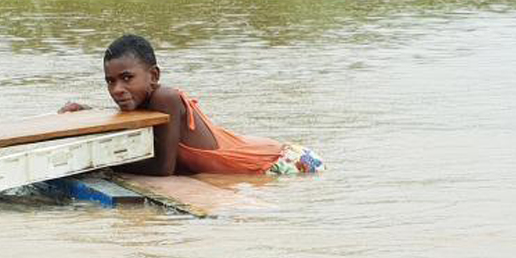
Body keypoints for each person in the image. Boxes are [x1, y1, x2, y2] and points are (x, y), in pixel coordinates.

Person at [59, 34, 324, 176]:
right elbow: (123, 118)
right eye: (110, 81)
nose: (117, 89)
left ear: (154, 76)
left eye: (127, 78)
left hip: (283, 163)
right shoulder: (145, 103)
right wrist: (87, 111)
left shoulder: (166, 98)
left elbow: (164, 169)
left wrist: (101, 165)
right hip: (270, 154)